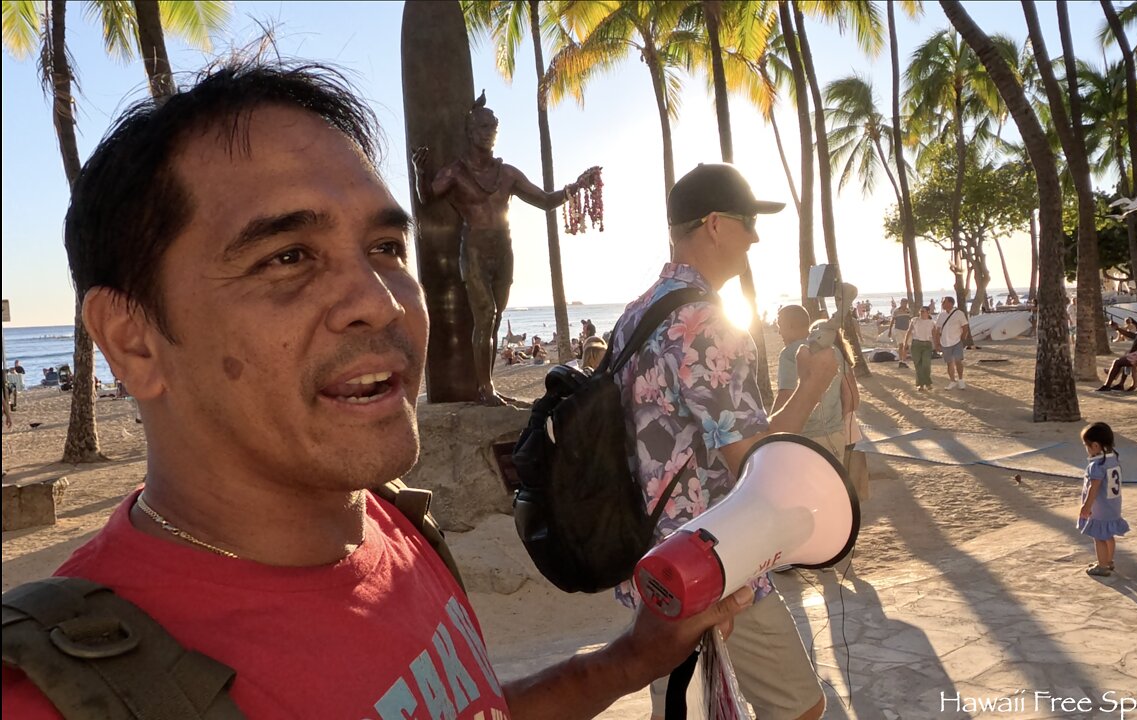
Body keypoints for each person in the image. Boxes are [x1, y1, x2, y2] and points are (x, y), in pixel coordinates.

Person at [1, 59, 753, 719]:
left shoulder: (395, 523)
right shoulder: (63, 694)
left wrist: (626, 662)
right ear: (132, 340)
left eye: (387, 248)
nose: (383, 300)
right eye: (288, 255)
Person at [611, 163, 835, 720]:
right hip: (714, 558)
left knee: (683, 710)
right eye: (748, 221)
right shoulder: (706, 322)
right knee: (800, 708)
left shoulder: (635, 315)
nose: (756, 236)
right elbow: (758, 464)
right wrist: (812, 385)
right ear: (714, 224)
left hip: (652, 560)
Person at [411, 93, 598, 406]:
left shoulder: (507, 173)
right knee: (485, 316)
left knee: (495, 321)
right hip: (473, 250)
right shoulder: (455, 173)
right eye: (483, 127)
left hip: (504, 250)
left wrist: (575, 187)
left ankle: (487, 384)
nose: (488, 134)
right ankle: (484, 389)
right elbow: (428, 199)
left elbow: (545, 200)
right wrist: (420, 175)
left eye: (493, 129)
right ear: (470, 132)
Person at [774, 305, 868, 501]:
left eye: (780, 325)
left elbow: (786, 397)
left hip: (805, 438)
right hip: (835, 436)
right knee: (832, 497)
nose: (778, 330)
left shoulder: (791, 353)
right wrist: (836, 424)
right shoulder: (833, 350)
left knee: (807, 500)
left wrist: (771, 431)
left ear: (790, 325)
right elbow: (852, 399)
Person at [1077, 422, 1130, 577]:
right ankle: (1108, 561)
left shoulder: (1096, 465)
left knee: (1099, 537)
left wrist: (1086, 506)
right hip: (1113, 505)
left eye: (1086, 445)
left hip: (1100, 508)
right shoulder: (1113, 459)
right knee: (1109, 535)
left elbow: (1094, 488)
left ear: (1095, 445)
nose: (1086, 449)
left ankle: (1102, 566)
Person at [1098, 306, 1137, 392]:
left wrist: (1131, 352)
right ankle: (1120, 384)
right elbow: (1135, 336)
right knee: (1125, 360)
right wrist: (1118, 329)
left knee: (1117, 362)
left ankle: (1107, 385)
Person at [933, 296, 970, 390]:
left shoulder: (959, 313)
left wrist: (962, 338)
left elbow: (965, 327)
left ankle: (961, 380)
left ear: (950, 303)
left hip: (957, 341)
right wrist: (937, 343)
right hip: (945, 343)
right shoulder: (941, 315)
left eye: (944, 302)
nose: (942, 304)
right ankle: (952, 381)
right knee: (949, 363)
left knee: (958, 361)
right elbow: (937, 330)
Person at [905, 306, 938, 391]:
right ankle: (920, 384)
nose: (921, 313)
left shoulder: (931, 322)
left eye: (923, 311)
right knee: (918, 365)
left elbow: (934, 335)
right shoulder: (915, 320)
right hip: (916, 344)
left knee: (926, 364)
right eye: (920, 311)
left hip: (927, 344)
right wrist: (905, 343)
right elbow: (909, 331)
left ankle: (928, 382)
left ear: (928, 312)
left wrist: (937, 345)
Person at [891, 299, 912, 368]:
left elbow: (911, 320)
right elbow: (893, 320)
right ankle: (900, 361)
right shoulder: (896, 311)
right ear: (900, 303)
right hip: (898, 329)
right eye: (903, 302)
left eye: (905, 303)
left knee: (906, 346)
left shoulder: (909, 311)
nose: (904, 304)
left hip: (906, 330)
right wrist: (890, 330)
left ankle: (904, 361)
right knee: (900, 345)